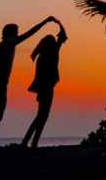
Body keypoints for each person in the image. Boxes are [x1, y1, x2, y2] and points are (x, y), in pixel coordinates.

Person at [0, 16, 56, 149]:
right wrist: (44, 22)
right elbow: (30, 33)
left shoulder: (5, 46)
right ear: (10, 34)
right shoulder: (4, 46)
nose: (18, 35)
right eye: (16, 32)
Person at [20, 20, 68, 148]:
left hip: (45, 89)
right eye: (52, 41)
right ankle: (29, 142)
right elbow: (63, 36)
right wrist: (58, 23)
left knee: (41, 116)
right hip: (46, 89)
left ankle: (29, 142)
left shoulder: (44, 56)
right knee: (42, 116)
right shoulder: (52, 54)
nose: (54, 43)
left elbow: (62, 36)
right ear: (49, 44)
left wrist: (57, 23)